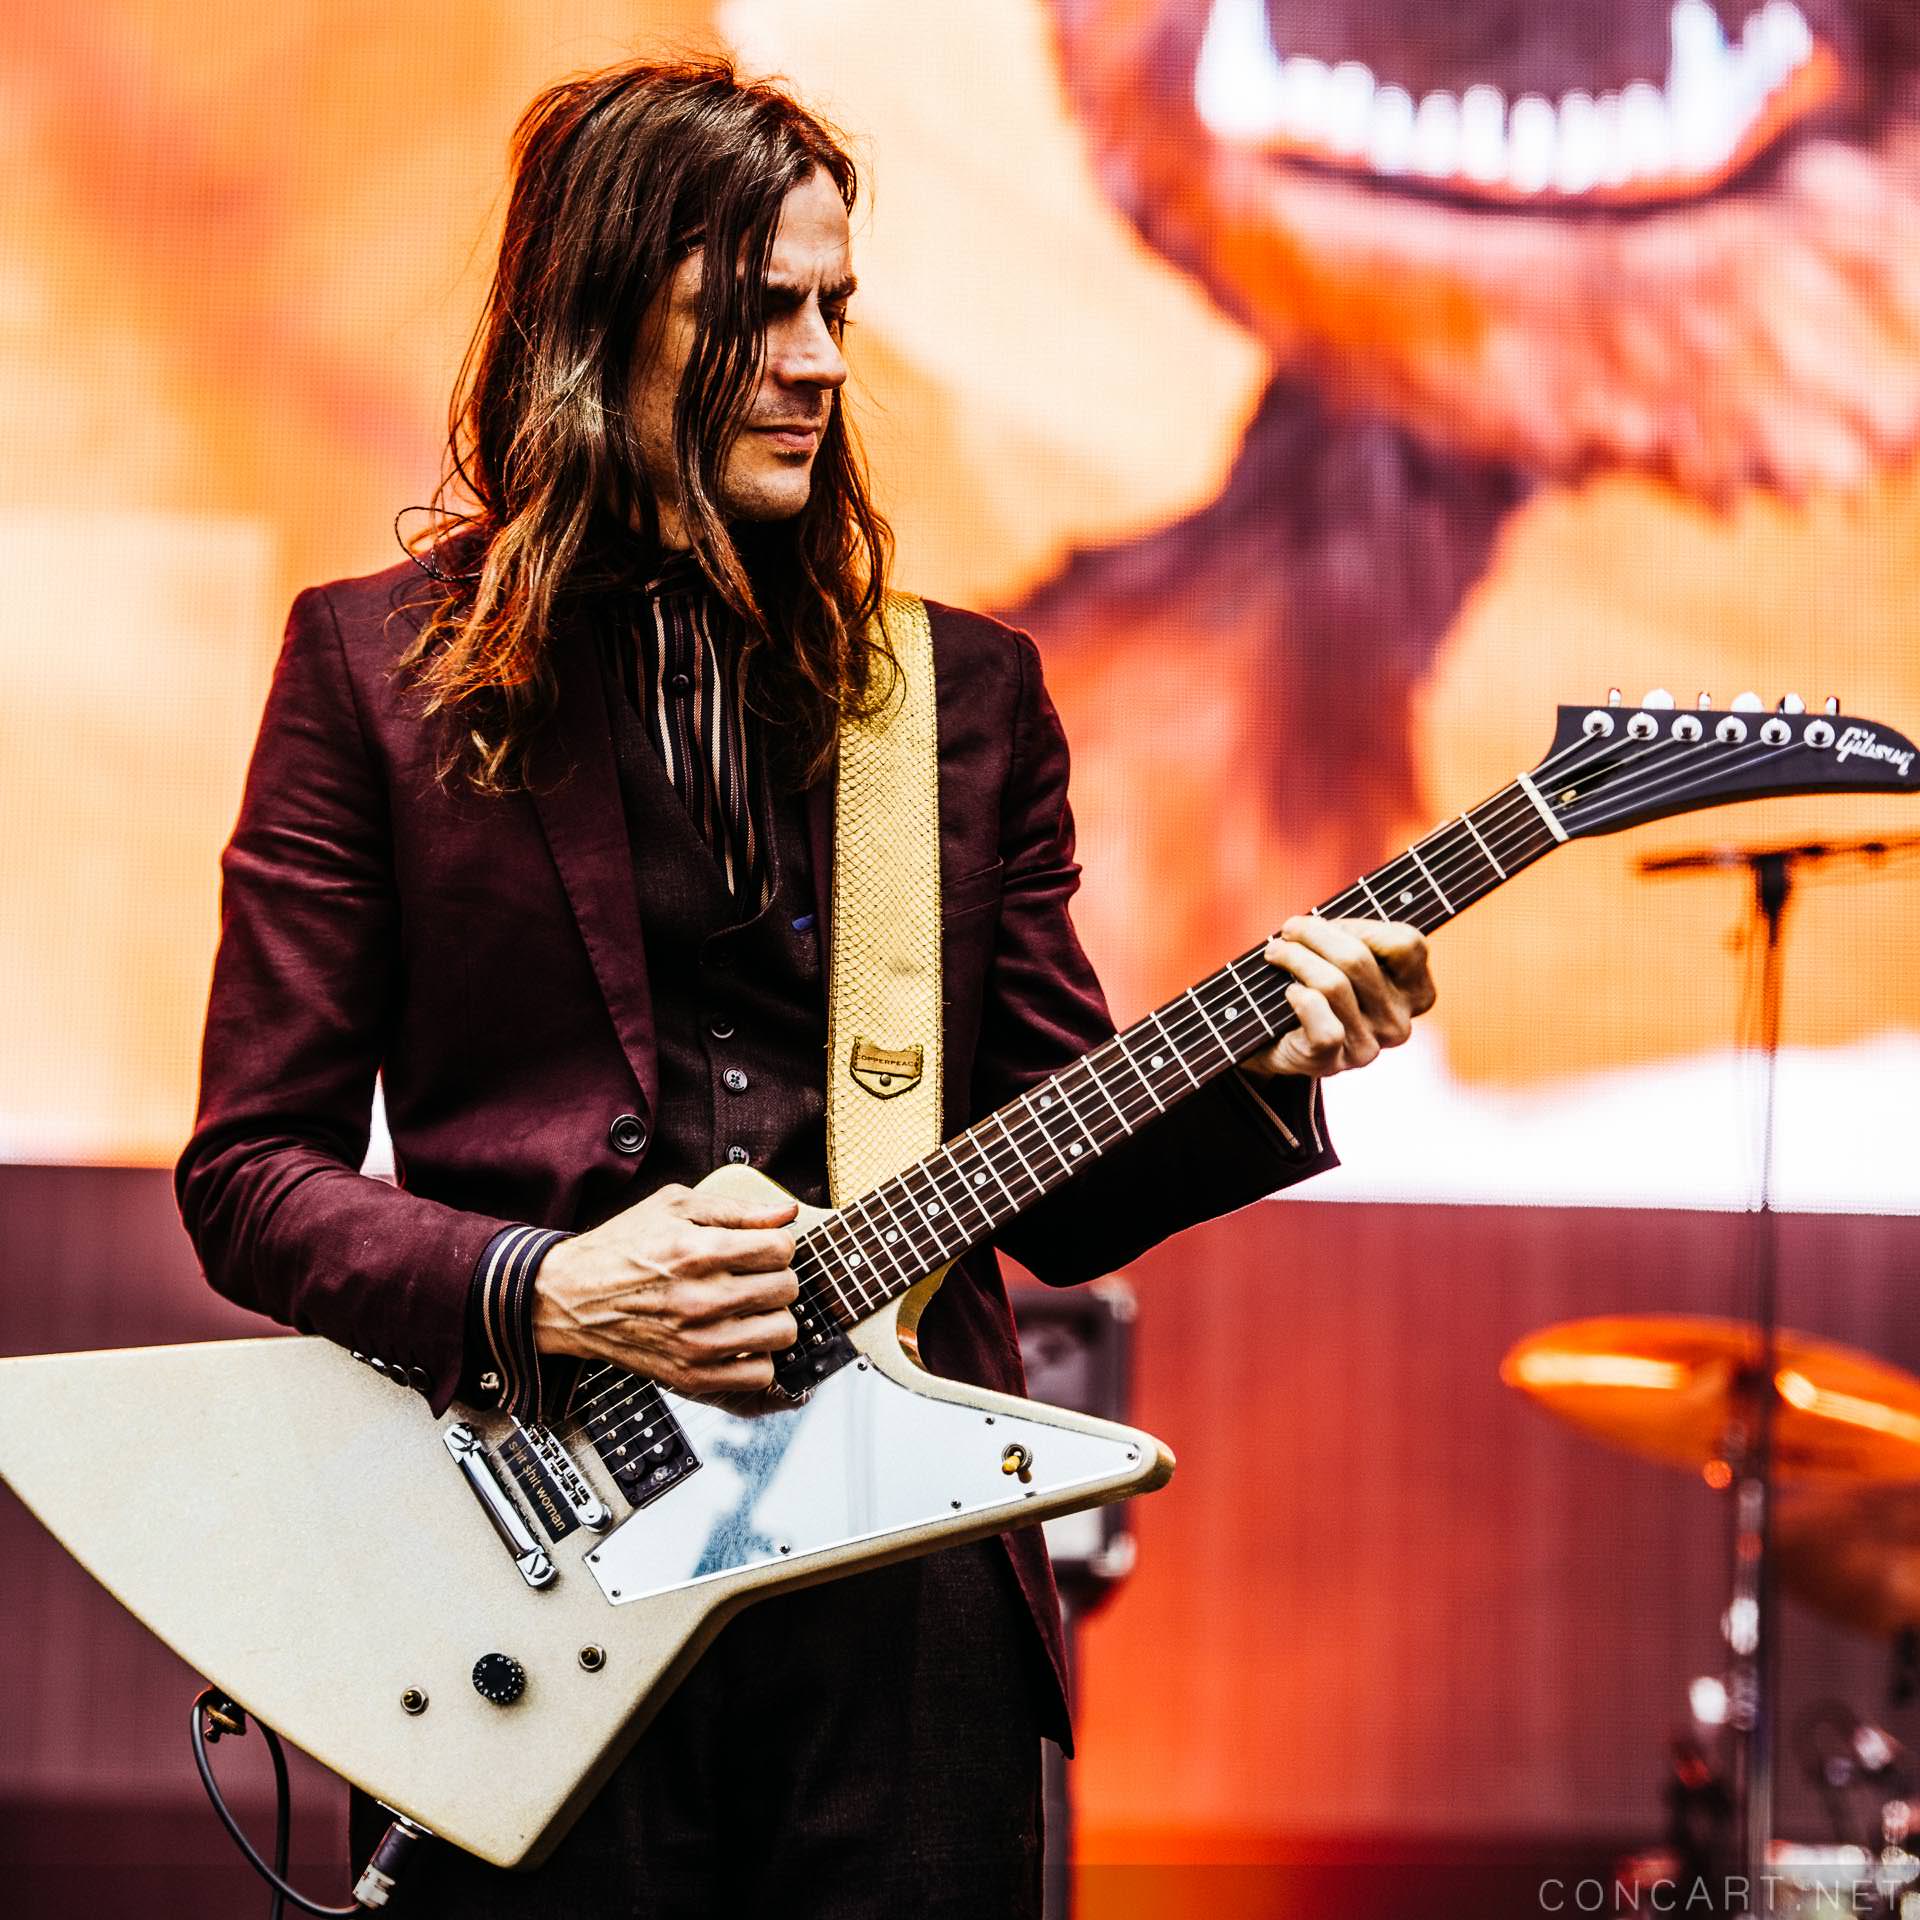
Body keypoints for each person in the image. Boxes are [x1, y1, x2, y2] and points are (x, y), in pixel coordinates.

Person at [174, 57, 1436, 1920]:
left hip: (898, 1607)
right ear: (604, 320)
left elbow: (1061, 1178)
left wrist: (1269, 1069)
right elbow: (248, 1177)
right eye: (762, 308)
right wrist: (547, 1283)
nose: (824, 359)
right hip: (537, 1576)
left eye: (837, 306)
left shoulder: (961, 701)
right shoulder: (375, 674)